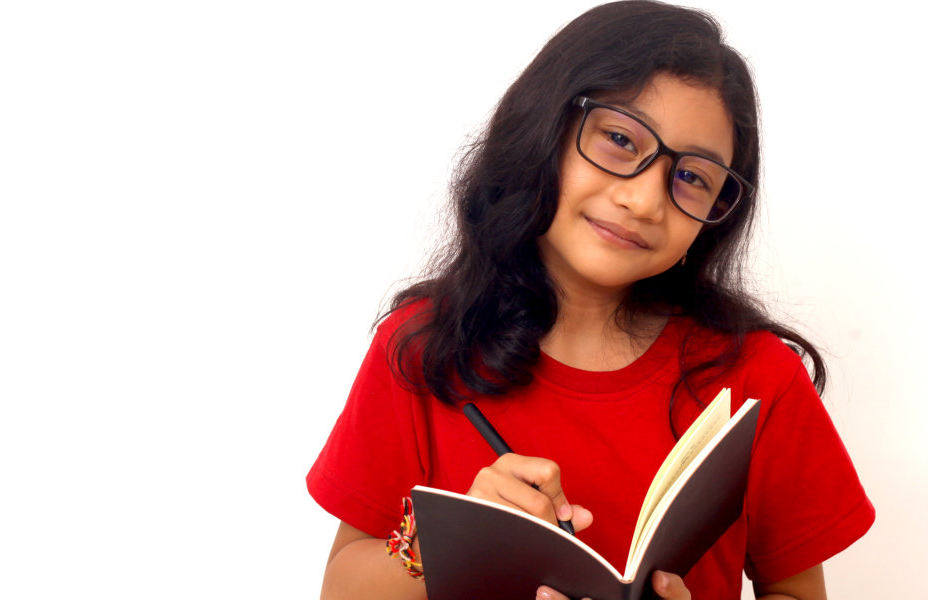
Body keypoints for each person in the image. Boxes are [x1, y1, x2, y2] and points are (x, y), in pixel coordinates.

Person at [307, 2, 874, 598]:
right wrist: (445, 541)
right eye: (621, 140)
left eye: (692, 177)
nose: (644, 201)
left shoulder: (758, 379)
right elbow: (341, 586)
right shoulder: (421, 345)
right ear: (545, 128)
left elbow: (799, 591)